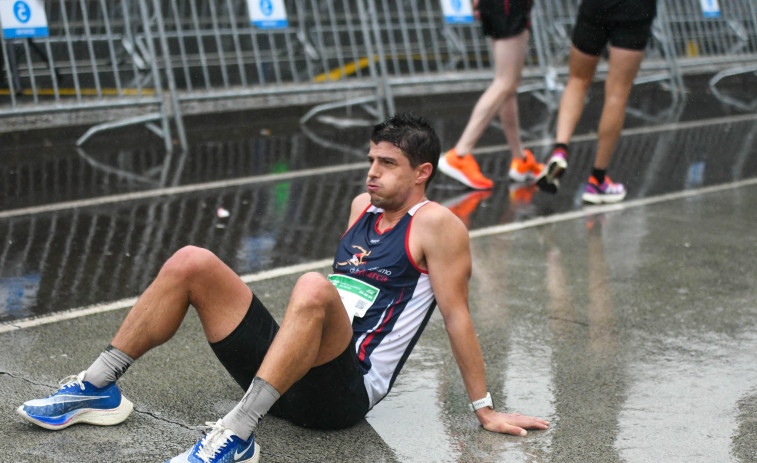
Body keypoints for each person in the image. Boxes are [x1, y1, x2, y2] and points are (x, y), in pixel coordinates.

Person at [17, 113, 549, 463]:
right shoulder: (361, 209)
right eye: (370, 160)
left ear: (421, 173)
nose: (371, 173)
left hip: (343, 394)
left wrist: (483, 407)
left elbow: (457, 315)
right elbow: (342, 289)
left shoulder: (439, 226)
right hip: (290, 373)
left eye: (387, 165)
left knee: (312, 286)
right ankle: (98, 385)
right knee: (192, 260)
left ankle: (238, 434)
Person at [536, 0, 658, 204]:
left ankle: (560, 149)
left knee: (577, 80)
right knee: (617, 93)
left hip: (596, 6)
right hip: (635, 8)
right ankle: (597, 180)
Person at [438, 0, 543, 190]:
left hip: (500, 7)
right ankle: (460, 154)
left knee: (508, 85)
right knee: (505, 82)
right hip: (507, 7)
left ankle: (520, 158)